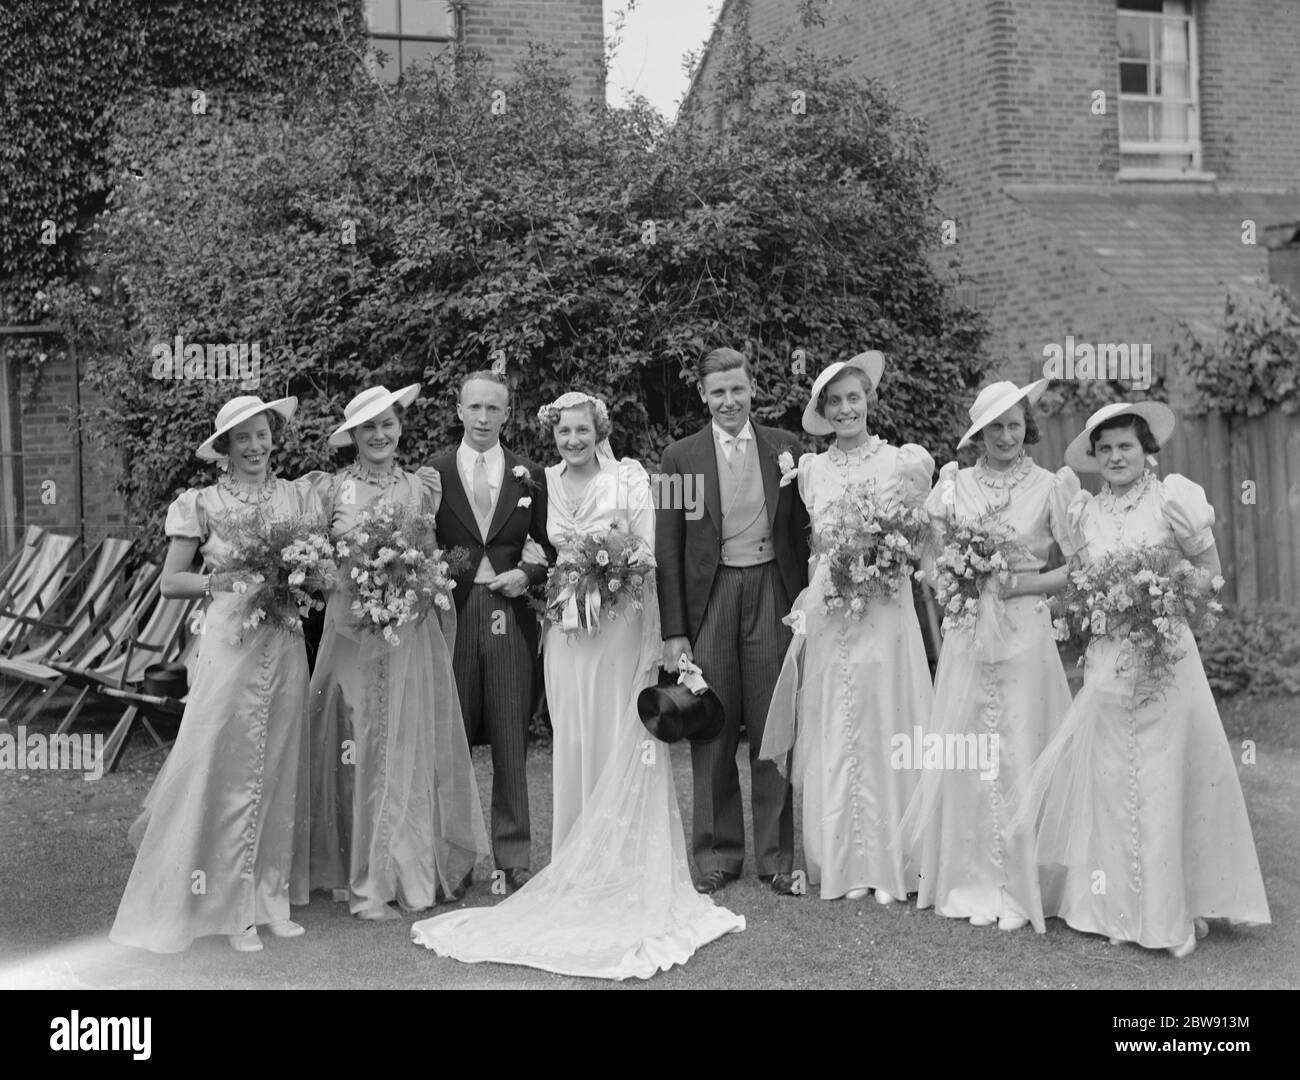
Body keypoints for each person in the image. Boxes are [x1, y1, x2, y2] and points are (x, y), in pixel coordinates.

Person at [410, 391, 745, 980]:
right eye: (563, 432)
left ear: (599, 430)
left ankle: (625, 868)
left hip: (617, 629)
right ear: (552, 435)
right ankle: (575, 861)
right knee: (573, 738)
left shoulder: (633, 479)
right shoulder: (541, 483)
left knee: (621, 740)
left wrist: (635, 597)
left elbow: (652, 551)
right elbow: (536, 549)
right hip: (566, 636)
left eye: (582, 430)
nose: (572, 441)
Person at [1014, 402, 1271, 956]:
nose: (1114, 457)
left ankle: (1166, 912)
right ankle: (1111, 908)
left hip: (1166, 662)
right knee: (1109, 782)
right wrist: (1020, 586)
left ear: (1146, 448)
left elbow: (1211, 577)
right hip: (1108, 663)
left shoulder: (1175, 500)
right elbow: (1078, 580)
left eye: (1124, 446)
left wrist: (1162, 594)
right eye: (1104, 449)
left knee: (1161, 781)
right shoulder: (1085, 511)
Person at [110, 395, 320, 954]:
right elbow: (171, 582)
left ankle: (269, 899)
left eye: (262, 434)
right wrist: (226, 580)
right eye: (242, 438)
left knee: (277, 767)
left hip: (286, 641)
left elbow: (313, 564)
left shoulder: (296, 495)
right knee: (222, 770)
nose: (255, 446)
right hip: (230, 645)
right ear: (224, 448)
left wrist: (302, 574)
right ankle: (226, 908)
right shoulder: (200, 503)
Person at [291, 385, 488, 919]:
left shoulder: (421, 486)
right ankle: (362, 882)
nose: (380, 435)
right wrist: (358, 581)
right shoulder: (331, 491)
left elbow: (428, 557)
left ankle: (409, 873)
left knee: (405, 745)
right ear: (353, 436)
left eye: (388, 424)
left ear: (400, 427)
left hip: (406, 637)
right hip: (351, 636)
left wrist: (411, 588)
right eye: (368, 428)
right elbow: (309, 564)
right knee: (357, 745)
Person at [901, 379, 1077, 931]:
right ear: (978, 433)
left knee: (1024, 745)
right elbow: (928, 559)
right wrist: (957, 584)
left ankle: (1025, 886)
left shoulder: (1054, 486)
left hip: (1026, 635)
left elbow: (1077, 568)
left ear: (1028, 426)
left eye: (1014, 424)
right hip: (968, 637)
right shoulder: (953, 487)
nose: (1006, 436)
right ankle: (971, 878)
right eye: (994, 426)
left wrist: (1015, 587)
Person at [760, 353, 935, 903]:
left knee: (886, 719)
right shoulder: (811, 471)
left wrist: (888, 562)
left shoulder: (903, 464)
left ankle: (893, 862)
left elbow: (924, 541)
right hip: (835, 612)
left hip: (885, 610)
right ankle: (846, 861)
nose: (844, 409)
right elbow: (812, 545)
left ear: (869, 402)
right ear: (822, 410)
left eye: (852, 398)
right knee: (840, 725)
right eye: (833, 402)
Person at [655, 348, 810, 896]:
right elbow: (667, 546)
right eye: (717, 391)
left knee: (773, 726)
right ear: (702, 394)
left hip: (771, 589)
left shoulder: (786, 449)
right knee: (712, 725)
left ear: (752, 389)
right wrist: (674, 630)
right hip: (711, 597)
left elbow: (804, 534)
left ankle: (775, 854)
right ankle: (717, 854)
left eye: (737, 390)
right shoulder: (678, 458)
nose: (729, 401)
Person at [429, 371, 554, 891]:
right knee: (450, 745)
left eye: (493, 409)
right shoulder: (432, 473)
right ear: (458, 409)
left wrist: (528, 572)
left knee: (509, 739)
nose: (483, 418)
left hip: (509, 616)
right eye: (474, 407)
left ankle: (513, 857)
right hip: (451, 617)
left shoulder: (532, 475)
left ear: (507, 413)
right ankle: (452, 863)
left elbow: (550, 548)